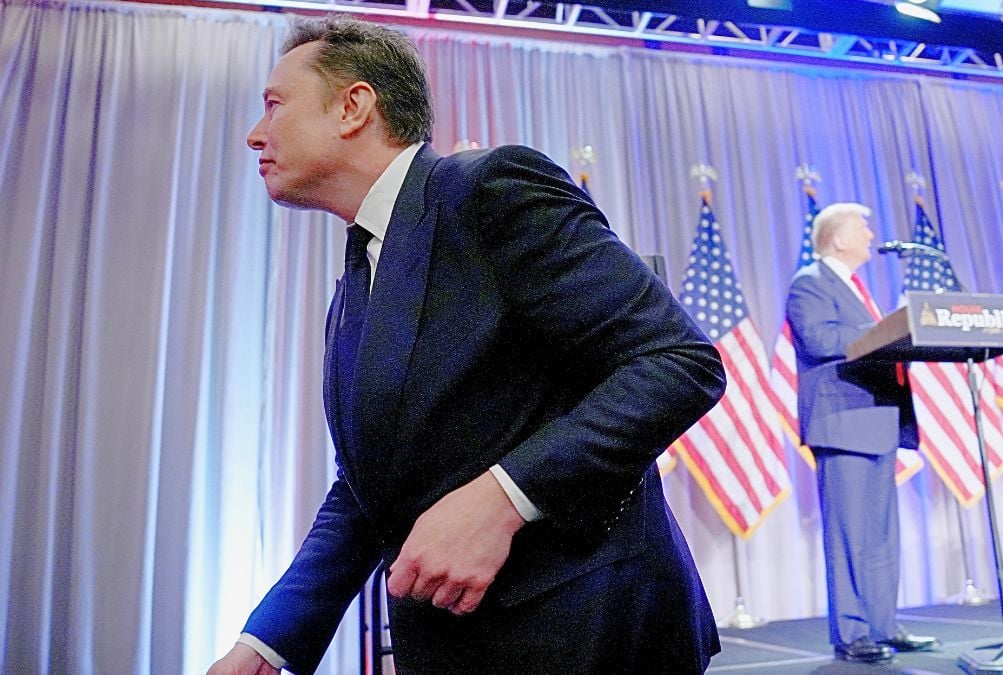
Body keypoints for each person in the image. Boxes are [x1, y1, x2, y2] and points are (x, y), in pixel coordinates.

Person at [207, 16, 725, 675]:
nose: (257, 133)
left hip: (589, 636)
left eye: (274, 104)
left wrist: (505, 496)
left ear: (354, 107)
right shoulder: (356, 282)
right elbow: (368, 491)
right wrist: (265, 643)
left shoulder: (489, 190)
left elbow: (677, 361)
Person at [786, 203, 939, 664]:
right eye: (862, 227)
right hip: (843, 423)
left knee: (880, 536)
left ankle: (883, 625)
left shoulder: (858, 288)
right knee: (850, 535)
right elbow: (818, 339)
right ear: (837, 238)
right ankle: (852, 632)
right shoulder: (809, 283)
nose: (871, 235)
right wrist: (885, 330)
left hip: (877, 420)